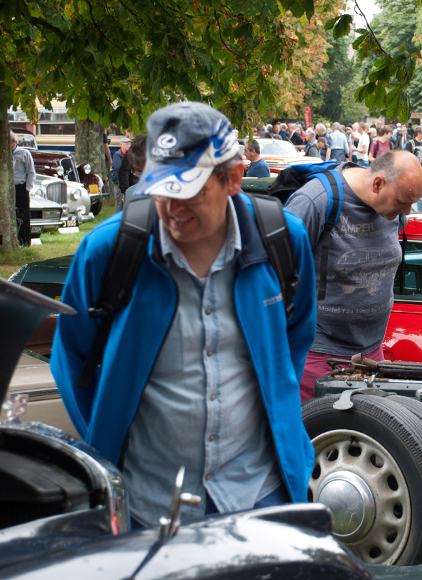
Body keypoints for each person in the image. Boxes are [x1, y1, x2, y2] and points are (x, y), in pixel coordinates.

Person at [51, 101, 317, 527]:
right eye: (162, 187)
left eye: (189, 188)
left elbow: (295, 338)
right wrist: (106, 441)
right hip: (146, 504)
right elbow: (71, 359)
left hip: (261, 496)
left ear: (232, 179)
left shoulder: (282, 240)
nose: (172, 206)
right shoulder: (108, 251)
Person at [285, 151, 422, 401]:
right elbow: (274, 275)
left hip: (371, 354)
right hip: (317, 357)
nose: (407, 211)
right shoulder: (316, 200)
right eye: (402, 202)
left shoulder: (395, 210)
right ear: (378, 184)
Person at [11, 131, 36, 247]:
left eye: (10, 143)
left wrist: (28, 188)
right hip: (8, 188)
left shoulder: (24, 153)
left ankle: (25, 241)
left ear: (15, 142)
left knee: (23, 215)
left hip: (21, 187)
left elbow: (31, 172)